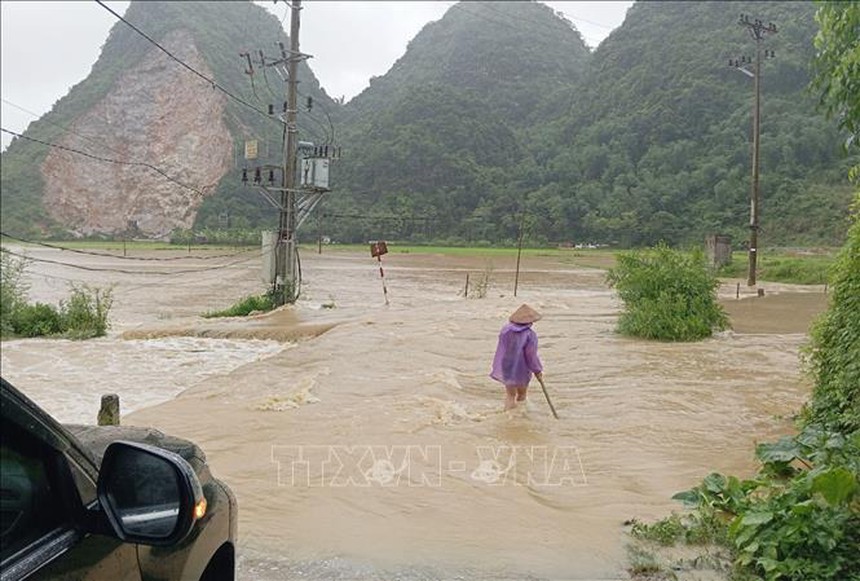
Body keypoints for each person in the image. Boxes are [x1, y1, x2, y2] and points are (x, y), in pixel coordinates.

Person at [490, 304, 544, 411]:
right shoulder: (529, 334)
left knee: (510, 395)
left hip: (506, 364)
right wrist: (537, 370)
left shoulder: (505, 330)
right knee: (522, 394)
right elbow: (531, 355)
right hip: (522, 367)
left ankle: (507, 414)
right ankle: (520, 416)